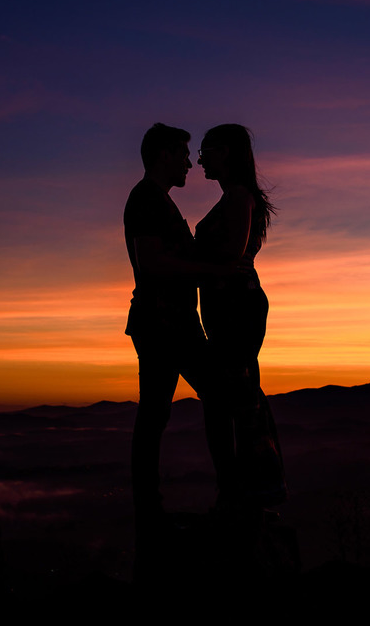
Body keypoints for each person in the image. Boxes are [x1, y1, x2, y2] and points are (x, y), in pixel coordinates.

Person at [123, 123, 234, 535]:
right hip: (163, 322)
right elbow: (151, 263)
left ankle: (151, 509)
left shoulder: (155, 200)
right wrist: (211, 269)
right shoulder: (146, 199)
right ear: (165, 154)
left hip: (168, 321)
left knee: (157, 414)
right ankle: (224, 496)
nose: (190, 163)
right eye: (184, 155)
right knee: (210, 398)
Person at [195, 124, 286, 509]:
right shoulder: (235, 197)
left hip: (236, 305)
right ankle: (252, 487)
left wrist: (183, 261)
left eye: (207, 151)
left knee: (239, 397)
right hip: (232, 305)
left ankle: (255, 490)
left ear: (227, 153)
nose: (200, 160)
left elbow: (230, 257)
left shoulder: (236, 197)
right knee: (237, 395)